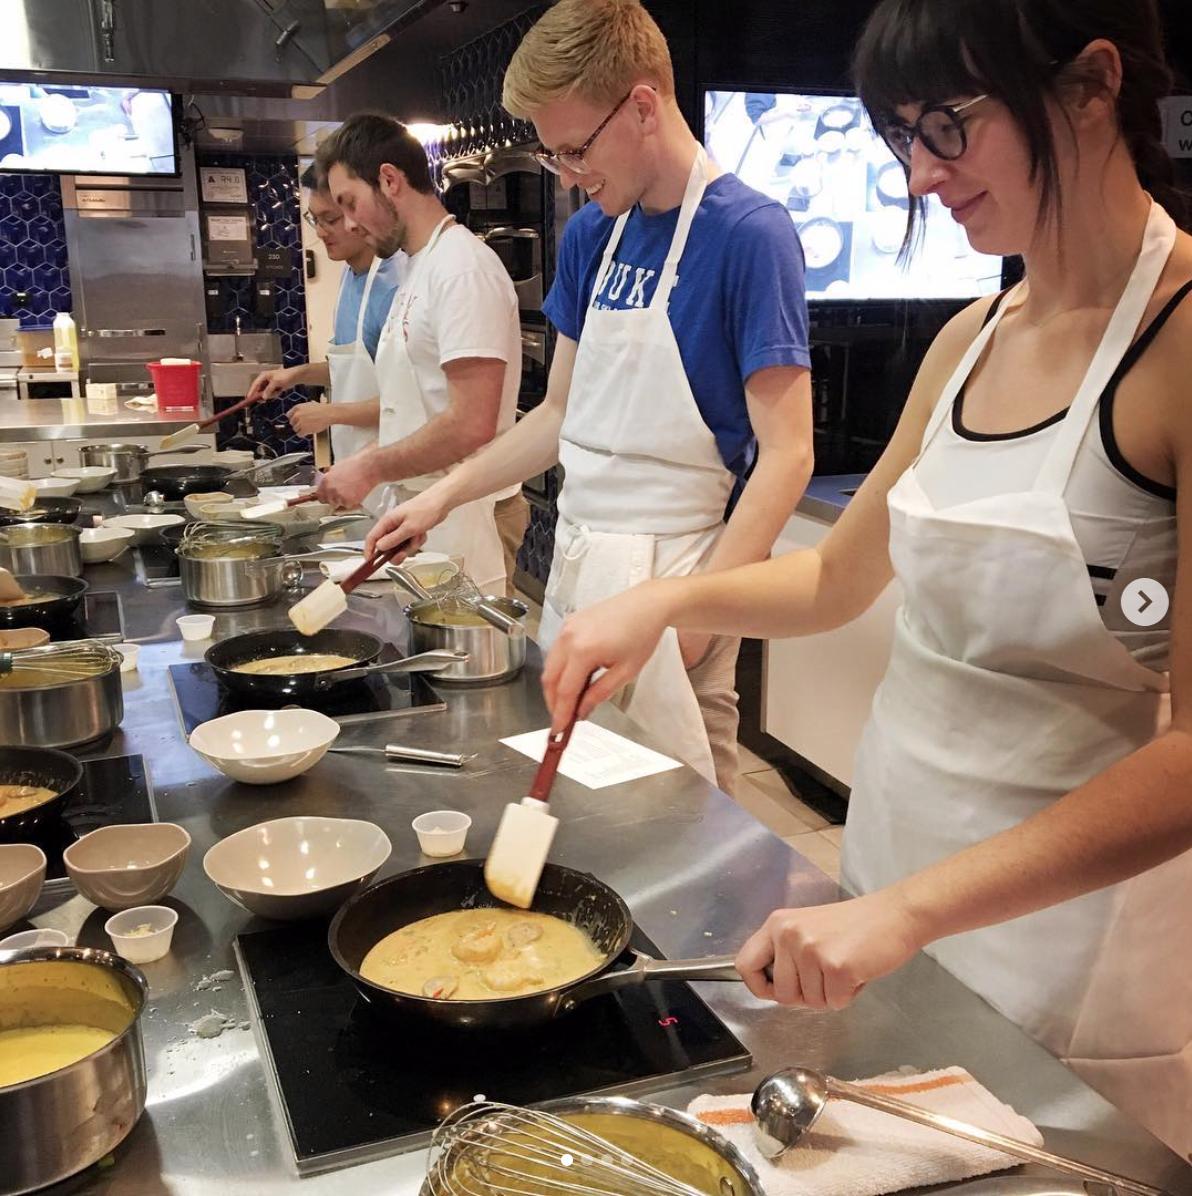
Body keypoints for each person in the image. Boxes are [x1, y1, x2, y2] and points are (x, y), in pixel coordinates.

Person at [536, 0, 1192, 1156]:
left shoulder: (1180, 342)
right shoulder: (970, 338)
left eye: (947, 126)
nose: (922, 175)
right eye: (900, 139)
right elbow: (839, 576)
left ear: (1091, 86)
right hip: (890, 880)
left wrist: (908, 908)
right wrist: (661, 599)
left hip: (1071, 952)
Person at [365, 0, 814, 792]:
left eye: (575, 149)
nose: (568, 175)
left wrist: (699, 626)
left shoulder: (748, 233)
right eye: (553, 157)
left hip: (676, 576)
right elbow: (559, 416)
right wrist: (440, 500)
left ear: (642, 106)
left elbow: (788, 454)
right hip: (577, 566)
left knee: (688, 824)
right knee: (576, 803)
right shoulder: (592, 237)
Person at [312, 115, 528, 596]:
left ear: (390, 180)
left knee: (471, 658)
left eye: (350, 204)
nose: (348, 223)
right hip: (427, 511)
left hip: (469, 512)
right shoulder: (418, 268)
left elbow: (472, 423)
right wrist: (369, 457)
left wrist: (369, 467)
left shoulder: (461, 269)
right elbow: (419, 402)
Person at [247, 165, 402, 512]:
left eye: (330, 218)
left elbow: (412, 404)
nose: (321, 232)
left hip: (397, 477)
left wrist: (330, 413)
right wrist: (296, 374)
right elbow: (353, 367)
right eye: (313, 219)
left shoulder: (395, 285)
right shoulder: (350, 276)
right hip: (359, 474)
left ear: (356, 212)